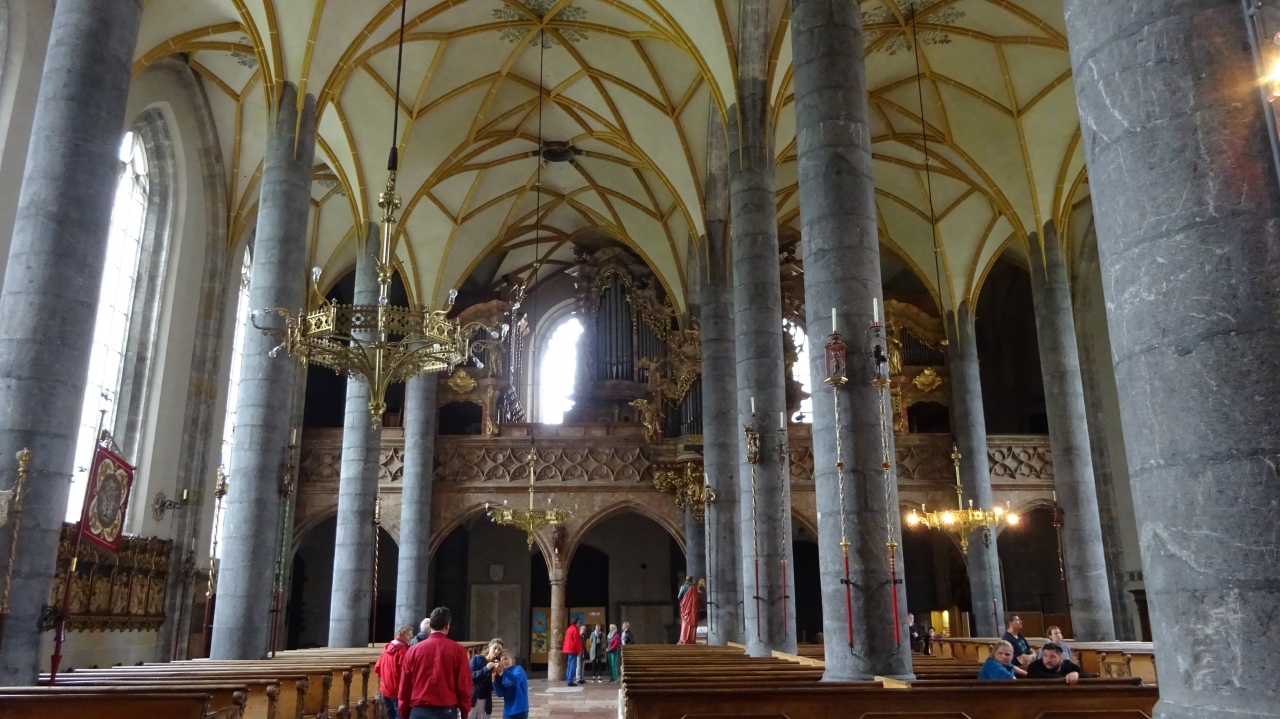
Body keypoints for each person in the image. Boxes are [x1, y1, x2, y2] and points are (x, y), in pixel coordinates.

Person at [398, 607, 473, 719]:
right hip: (445, 711)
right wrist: (464, 712)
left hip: (418, 710)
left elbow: (404, 685)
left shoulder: (413, 650)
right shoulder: (458, 650)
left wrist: (404, 712)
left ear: (431, 625)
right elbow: (464, 685)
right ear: (447, 625)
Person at [375, 625, 414, 719]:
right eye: (408, 635)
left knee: (390, 714)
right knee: (400, 715)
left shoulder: (387, 648)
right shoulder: (402, 650)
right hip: (397, 690)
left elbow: (377, 667)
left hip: (385, 688)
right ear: (402, 635)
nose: (411, 637)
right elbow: (405, 671)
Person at [468, 639, 504, 719]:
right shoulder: (477, 659)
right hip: (472, 697)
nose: (496, 651)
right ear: (489, 647)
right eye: (495, 648)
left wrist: (499, 674)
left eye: (499, 649)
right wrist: (485, 669)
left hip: (485, 699)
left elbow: (495, 687)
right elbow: (469, 676)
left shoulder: (497, 665)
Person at [1027, 642, 1093, 684]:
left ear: (1061, 658)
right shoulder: (1034, 666)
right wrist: (1066, 678)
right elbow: (1040, 676)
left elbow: (1088, 677)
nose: (1048, 660)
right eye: (1045, 656)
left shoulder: (1067, 664)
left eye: (1053, 657)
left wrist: (1076, 674)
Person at [492, 650, 529, 719]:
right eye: (502, 660)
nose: (504, 661)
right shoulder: (503, 674)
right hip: (508, 711)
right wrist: (493, 680)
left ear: (512, 659)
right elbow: (500, 694)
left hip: (520, 709)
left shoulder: (518, 669)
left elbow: (516, 679)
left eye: (506, 658)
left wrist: (503, 670)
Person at [677, 576, 700, 644]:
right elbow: (697, 599)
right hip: (693, 609)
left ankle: (684, 638)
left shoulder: (683, 587)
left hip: (685, 609)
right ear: (691, 580)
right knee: (692, 624)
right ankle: (691, 639)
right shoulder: (694, 588)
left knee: (685, 624)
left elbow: (679, 597)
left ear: (686, 580)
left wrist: (685, 601)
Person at [561, 618, 583, 686]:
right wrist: (579, 651)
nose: (579, 624)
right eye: (578, 622)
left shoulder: (569, 629)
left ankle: (568, 679)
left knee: (569, 665)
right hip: (573, 649)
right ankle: (570, 680)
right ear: (576, 623)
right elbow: (576, 642)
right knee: (573, 665)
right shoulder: (575, 629)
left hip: (568, 649)